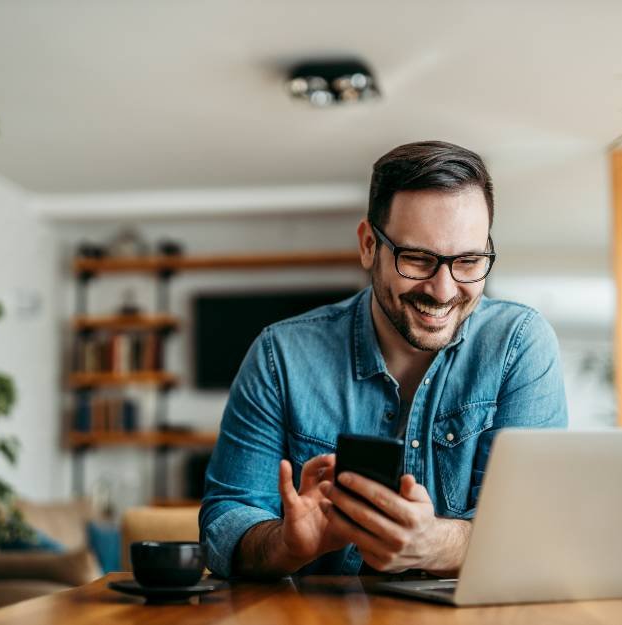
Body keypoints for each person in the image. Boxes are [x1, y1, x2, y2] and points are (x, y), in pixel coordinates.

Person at [200, 140, 568, 578]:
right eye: (418, 259)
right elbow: (224, 524)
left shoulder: (519, 344)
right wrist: (287, 544)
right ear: (368, 245)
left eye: (469, 261)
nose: (444, 290)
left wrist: (434, 545)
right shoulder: (280, 355)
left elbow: (535, 531)